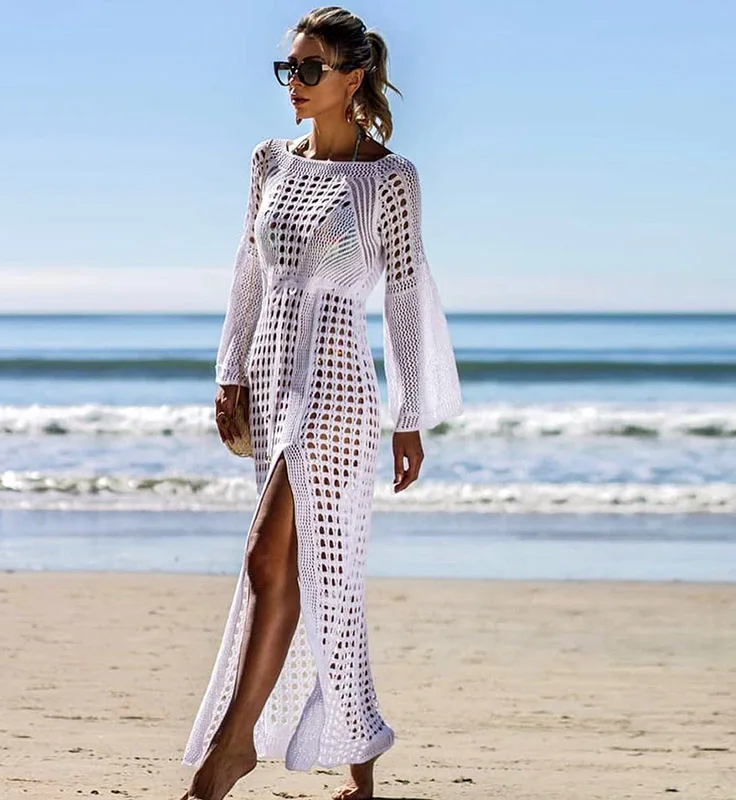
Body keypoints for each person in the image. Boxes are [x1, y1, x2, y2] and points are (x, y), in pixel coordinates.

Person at [179, 7, 462, 800]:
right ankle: (360, 764)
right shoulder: (269, 161)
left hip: (337, 386)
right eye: (289, 69)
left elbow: (404, 295)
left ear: (353, 77)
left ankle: (229, 752)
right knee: (321, 569)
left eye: (310, 69)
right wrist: (229, 371)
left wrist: (409, 415)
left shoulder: (388, 178)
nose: (295, 83)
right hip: (272, 375)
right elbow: (248, 269)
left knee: (268, 558)